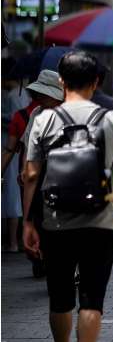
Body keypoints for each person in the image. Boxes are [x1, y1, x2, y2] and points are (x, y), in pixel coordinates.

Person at [22, 50, 113, 342]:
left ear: (60, 82)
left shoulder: (43, 119)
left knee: (59, 297)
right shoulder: (110, 119)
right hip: (99, 221)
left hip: (55, 223)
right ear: (96, 82)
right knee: (91, 298)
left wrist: (29, 222)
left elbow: (30, 175)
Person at [2, 70, 64, 254]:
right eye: (40, 94)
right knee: (39, 220)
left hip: (61, 179)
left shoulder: (67, 115)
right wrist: (24, 170)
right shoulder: (36, 113)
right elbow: (28, 147)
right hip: (38, 179)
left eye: (45, 94)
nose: (41, 98)